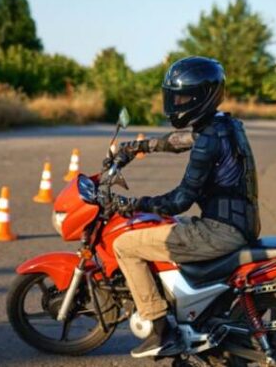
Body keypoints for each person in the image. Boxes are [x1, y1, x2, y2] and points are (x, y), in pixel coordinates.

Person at [99, 56, 261, 358]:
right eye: (174, 96)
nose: (176, 103)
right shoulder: (225, 125)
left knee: (125, 245)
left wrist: (134, 204)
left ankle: (160, 329)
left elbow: (179, 201)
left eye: (183, 97)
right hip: (239, 223)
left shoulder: (208, 140)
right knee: (164, 231)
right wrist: (139, 146)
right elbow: (180, 140)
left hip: (220, 231)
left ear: (202, 96)